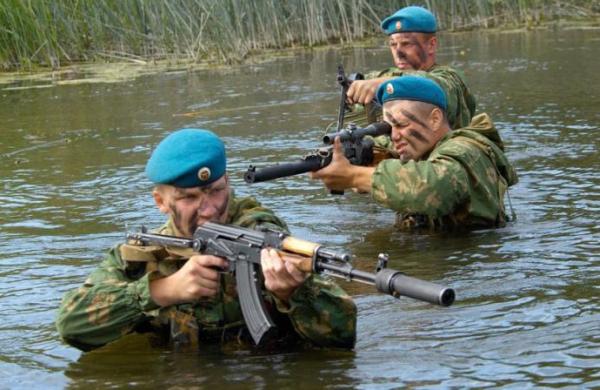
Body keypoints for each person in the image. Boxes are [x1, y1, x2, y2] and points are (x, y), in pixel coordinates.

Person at [56, 129, 357, 351]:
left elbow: (344, 335)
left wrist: (294, 293)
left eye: (216, 190)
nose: (210, 209)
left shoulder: (259, 234)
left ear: (227, 181)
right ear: (161, 202)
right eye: (189, 198)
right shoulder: (144, 255)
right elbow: (71, 326)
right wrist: (162, 291)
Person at [312, 76, 518, 230]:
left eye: (401, 124)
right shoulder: (423, 154)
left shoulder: (466, 149)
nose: (394, 136)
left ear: (435, 119)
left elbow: (435, 185)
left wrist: (355, 177)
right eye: (389, 127)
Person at [343, 6, 476, 131]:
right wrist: (352, 92)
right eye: (393, 45)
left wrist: (387, 85)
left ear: (431, 45)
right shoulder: (381, 76)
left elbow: (434, 86)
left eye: (406, 44)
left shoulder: (451, 79)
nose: (398, 52)